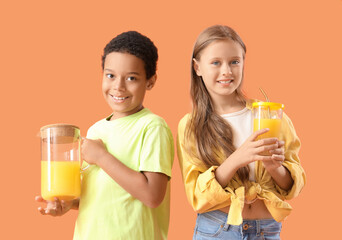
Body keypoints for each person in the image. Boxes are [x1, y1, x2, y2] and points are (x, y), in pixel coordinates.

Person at [36, 31, 174, 240]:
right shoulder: (95, 130)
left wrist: (101, 157)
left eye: (131, 78)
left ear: (150, 81)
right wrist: (68, 203)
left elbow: (152, 196)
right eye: (110, 75)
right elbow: (99, 195)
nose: (118, 86)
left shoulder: (153, 127)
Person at [177, 25, 306, 239]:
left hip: (266, 230)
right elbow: (197, 197)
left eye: (234, 62)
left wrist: (275, 169)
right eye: (216, 62)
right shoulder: (191, 126)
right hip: (217, 230)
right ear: (197, 67)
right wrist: (237, 159)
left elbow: (294, 185)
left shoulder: (271, 116)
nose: (226, 71)